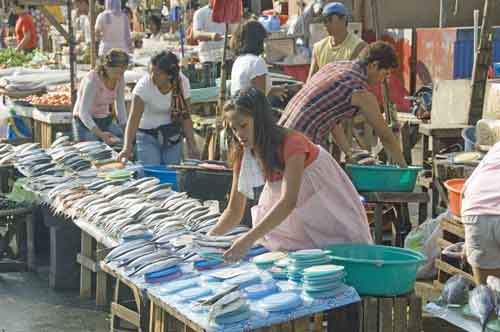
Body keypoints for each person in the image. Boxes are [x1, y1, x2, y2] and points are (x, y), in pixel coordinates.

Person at [208, 88, 372, 261]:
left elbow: (288, 201)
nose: (239, 134)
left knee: (339, 256)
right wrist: (208, 240)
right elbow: (234, 210)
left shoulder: (292, 143)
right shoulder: (244, 154)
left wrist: (248, 239)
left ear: (260, 120)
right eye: (234, 129)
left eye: (243, 126)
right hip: (293, 215)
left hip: (324, 203)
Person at [278, 41, 407, 166]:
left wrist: (349, 153)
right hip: (297, 149)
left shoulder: (335, 66)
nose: (383, 80)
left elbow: (332, 120)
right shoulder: (359, 90)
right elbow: (385, 136)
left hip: (279, 137)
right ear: (374, 65)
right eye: (385, 74)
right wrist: (405, 170)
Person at [118, 51, 199, 165]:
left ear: (169, 75)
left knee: (172, 172)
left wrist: (192, 145)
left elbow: (186, 116)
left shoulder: (182, 83)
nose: (152, 77)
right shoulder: (143, 86)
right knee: (152, 172)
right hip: (147, 135)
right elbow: (133, 120)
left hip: (172, 135)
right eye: (151, 72)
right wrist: (126, 148)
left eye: (157, 73)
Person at [461, 141, 500, 285]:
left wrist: (468, 239)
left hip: (475, 213)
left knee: (486, 296)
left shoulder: (496, 148)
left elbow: (465, 189)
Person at [72, 49, 129, 145]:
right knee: (92, 149)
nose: (119, 76)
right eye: (115, 72)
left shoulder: (120, 79)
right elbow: (83, 113)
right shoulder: (93, 80)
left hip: (104, 118)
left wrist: (126, 130)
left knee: (120, 141)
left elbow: (120, 106)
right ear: (106, 67)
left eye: (122, 73)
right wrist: (101, 135)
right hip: (85, 122)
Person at [307, 2, 366, 81]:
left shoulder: (359, 47)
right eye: (323, 20)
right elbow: (311, 81)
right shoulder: (318, 48)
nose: (325, 24)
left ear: (344, 19)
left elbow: (351, 82)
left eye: (329, 19)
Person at [230, 20, 286, 100]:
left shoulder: (239, 60)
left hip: (239, 108)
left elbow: (249, 89)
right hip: (250, 110)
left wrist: (272, 90)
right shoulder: (256, 62)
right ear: (260, 40)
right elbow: (259, 98)